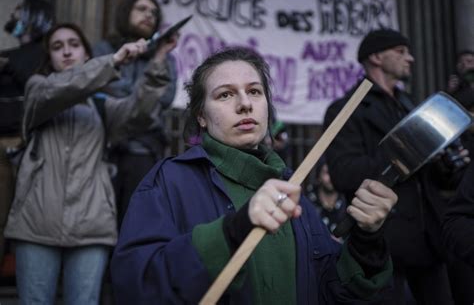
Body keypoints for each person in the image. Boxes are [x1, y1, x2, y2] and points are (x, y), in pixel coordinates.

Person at [110, 47, 398, 304]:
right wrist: (232, 231)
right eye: (225, 94)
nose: (245, 104)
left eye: (255, 91)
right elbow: (136, 286)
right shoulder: (169, 181)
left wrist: (366, 240)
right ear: (201, 116)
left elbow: (332, 291)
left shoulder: (292, 192)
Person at [3, 23, 178, 304]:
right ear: (50, 58)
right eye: (57, 47)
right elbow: (63, 89)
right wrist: (113, 61)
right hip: (35, 224)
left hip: (92, 227)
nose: (67, 52)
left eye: (74, 44)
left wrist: (158, 61)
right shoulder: (38, 89)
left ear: (86, 54)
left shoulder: (101, 105)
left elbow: (140, 112)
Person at [323, 28, 472, 304]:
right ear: (377, 57)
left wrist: (446, 166)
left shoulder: (410, 106)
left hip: (429, 243)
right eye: (401, 52)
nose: (411, 58)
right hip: (384, 245)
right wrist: (405, 152)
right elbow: (344, 172)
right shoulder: (346, 109)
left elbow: (430, 178)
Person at [93, 0, 178, 226]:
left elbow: (164, 98)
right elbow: (110, 91)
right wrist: (145, 90)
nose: (148, 15)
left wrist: (159, 56)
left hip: (144, 151)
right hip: (104, 149)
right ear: (126, 12)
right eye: (141, 9)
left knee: (135, 223)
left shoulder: (166, 58)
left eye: (153, 12)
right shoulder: (104, 49)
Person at [0, 0, 54, 269]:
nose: (14, 16)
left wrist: (9, 66)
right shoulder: (11, 54)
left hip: (23, 142)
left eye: (20, 11)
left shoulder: (43, 55)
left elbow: (36, 85)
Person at [306, 159, 347, 236]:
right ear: (319, 176)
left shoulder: (347, 201)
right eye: (327, 173)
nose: (332, 177)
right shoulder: (307, 200)